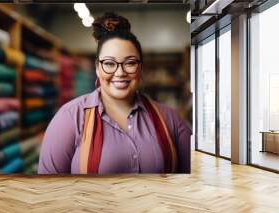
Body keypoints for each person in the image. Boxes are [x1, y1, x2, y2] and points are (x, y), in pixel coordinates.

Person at [38, 12, 191, 174]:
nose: (120, 73)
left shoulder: (171, 120)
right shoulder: (69, 119)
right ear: (97, 68)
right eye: (109, 63)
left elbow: (195, 184)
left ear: (140, 68)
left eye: (130, 63)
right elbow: (49, 190)